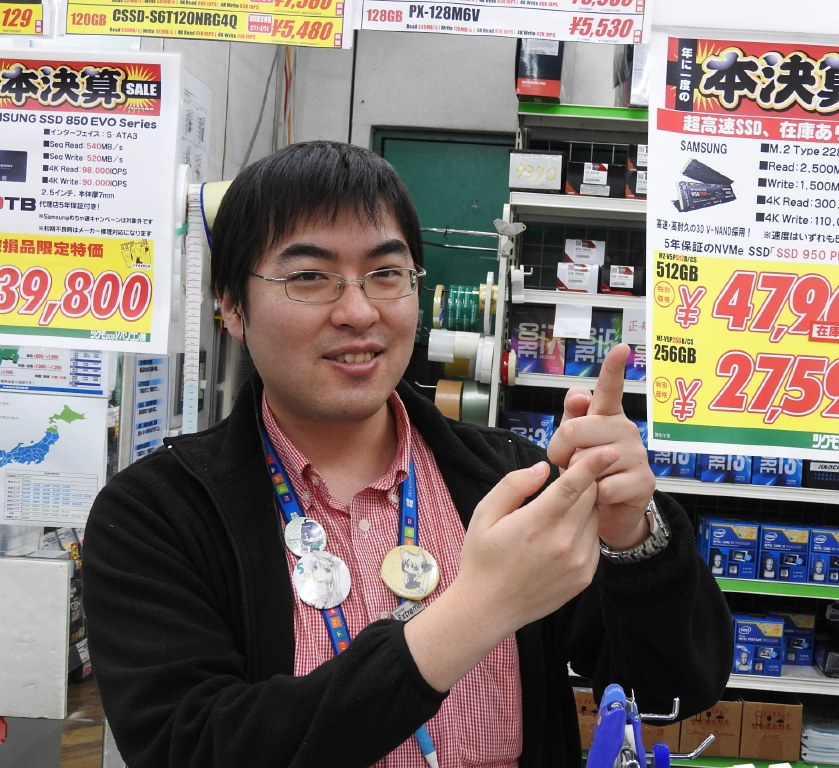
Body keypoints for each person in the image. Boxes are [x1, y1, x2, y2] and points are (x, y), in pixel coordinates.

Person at [82, 141, 733, 768]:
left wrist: (632, 537)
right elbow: (192, 746)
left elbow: (673, 686)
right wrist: (477, 611)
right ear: (231, 306)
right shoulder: (156, 514)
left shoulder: (511, 481)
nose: (358, 311)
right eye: (309, 277)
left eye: (386, 274)